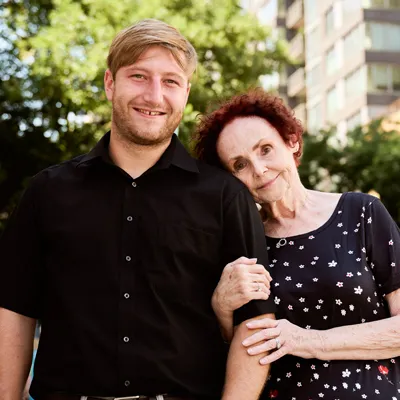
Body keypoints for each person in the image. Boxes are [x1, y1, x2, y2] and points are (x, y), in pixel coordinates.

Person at [0, 21, 276, 400]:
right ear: (110, 83)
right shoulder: (47, 192)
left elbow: (255, 324)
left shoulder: (226, 196)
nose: (155, 95)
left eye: (171, 81)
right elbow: (14, 309)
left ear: (187, 92)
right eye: (139, 76)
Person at [193, 88, 400, 399]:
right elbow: (233, 356)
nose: (259, 170)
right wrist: (221, 308)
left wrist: (304, 340)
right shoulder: (239, 246)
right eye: (239, 165)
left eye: (265, 149)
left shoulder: (362, 213)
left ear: (291, 142)